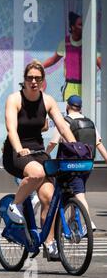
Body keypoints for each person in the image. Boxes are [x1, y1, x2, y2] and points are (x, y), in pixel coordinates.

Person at [2, 60, 76, 259]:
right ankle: (14, 205)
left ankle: (49, 241)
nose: (33, 82)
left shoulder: (48, 100)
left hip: (38, 151)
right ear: (24, 81)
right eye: (29, 78)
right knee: (37, 172)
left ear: (43, 81)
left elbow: (62, 126)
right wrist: (19, 149)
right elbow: (11, 129)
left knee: (49, 198)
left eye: (37, 78)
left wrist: (75, 146)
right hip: (15, 152)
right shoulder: (14, 99)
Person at [46, 95, 107, 231]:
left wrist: (45, 155)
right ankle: (73, 220)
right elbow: (99, 144)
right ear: (80, 107)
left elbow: (52, 142)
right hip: (87, 165)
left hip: (70, 165)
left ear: (68, 106)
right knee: (76, 191)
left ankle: (88, 223)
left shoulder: (65, 121)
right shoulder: (89, 122)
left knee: (78, 194)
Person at [43, 11, 101, 101]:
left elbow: (100, 62)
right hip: (69, 85)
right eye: (80, 24)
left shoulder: (89, 43)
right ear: (73, 27)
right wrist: (38, 66)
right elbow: (53, 60)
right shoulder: (65, 43)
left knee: (86, 113)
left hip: (86, 86)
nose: (83, 27)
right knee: (69, 112)